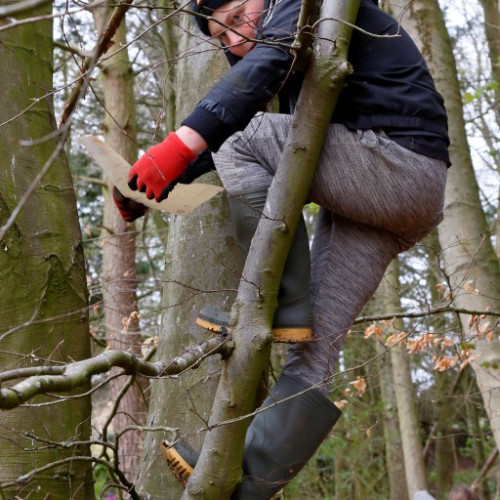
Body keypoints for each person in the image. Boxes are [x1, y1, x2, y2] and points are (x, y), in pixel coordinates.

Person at [114, 0, 450, 497]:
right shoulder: (282, 48)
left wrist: (178, 146)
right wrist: (151, 185)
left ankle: (276, 303)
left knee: (242, 139)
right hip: (391, 200)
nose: (233, 39)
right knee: (313, 352)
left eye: (234, 19)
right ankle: (245, 482)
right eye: (221, 36)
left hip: (399, 163)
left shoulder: (315, 5)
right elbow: (244, 112)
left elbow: (251, 95)